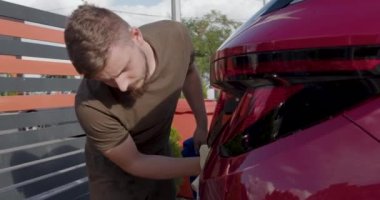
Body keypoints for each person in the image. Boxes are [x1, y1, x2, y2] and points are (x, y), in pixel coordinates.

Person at [64, 4, 208, 200]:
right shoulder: (89, 105)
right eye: (106, 80)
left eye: (124, 69)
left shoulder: (175, 37)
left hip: (160, 154)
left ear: (136, 36)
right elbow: (135, 162)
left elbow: (189, 73)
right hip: (114, 174)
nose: (122, 86)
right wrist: (206, 164)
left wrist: (202, 125)